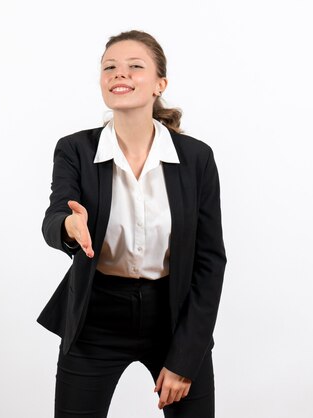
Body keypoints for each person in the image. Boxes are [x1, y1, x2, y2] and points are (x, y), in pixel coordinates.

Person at [38, 30, 227, 418]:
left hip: (173, 315)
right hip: (96, 316)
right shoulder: (74, 149)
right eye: (109, 67)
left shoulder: (196, 159)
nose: (118, 74)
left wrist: (186, 355)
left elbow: (209, 262)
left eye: (134, 67)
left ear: (160, 84)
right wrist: (69, 228)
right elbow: (55, 216)